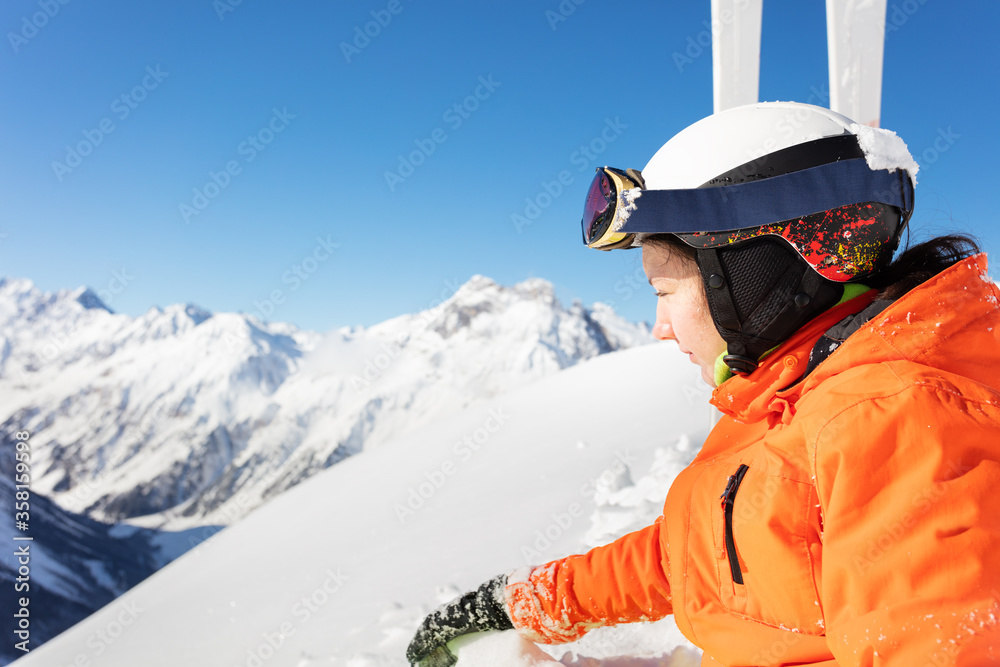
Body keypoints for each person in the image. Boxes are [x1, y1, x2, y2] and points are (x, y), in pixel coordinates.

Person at [406, 102, 1000, 666]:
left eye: (664, 294)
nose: (661, 328)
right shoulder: (796, 397)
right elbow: (702, 553)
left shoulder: (897, 421)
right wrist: (526, 601)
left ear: (752, 275)